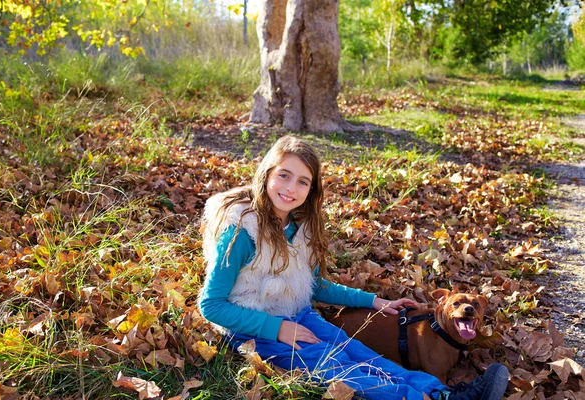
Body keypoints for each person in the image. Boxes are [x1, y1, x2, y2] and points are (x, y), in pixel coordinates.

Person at [198, 136, 508, 400]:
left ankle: (442, 393)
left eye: (302, 181)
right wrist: (278, 328)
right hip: (253, 329)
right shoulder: (242, 231)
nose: (291, 188)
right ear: (266, 174)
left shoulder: (300, 227)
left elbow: (315, 287)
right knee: (332, 365)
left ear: (312, 189)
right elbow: (211, 305)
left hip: (297, 313)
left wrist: (377, 302)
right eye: (284, 175)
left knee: (359, 353)